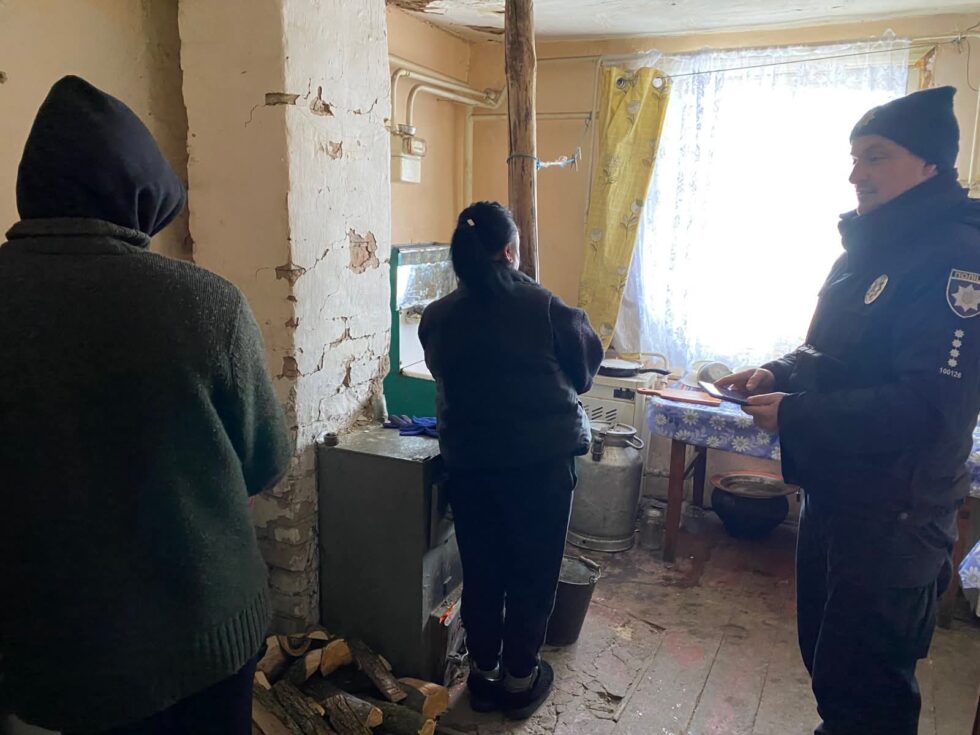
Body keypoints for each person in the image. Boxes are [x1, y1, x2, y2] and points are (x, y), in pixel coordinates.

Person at [0, 76, 291, 734]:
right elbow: (264, 460)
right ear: (139, 193)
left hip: (49, 649)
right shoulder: (206, 304)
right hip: (203, 639)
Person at [718, 86, 980, 735]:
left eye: (876, 156)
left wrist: (798, 414)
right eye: (855, 156)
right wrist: (777, 372)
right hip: (837, 495)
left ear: (931, 164)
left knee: (870, 691)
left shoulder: (956, 258)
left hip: (895, 517)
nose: (856, 173)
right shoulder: (868, 249)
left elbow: (929, 408)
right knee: (832, 666)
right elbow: (829, 352)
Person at [419, 202, 602, 719]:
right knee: (532, 572)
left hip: (472, 468)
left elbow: (441, 370)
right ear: (509, 251)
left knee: (482, 571)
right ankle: (520, 682)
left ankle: (482, 676)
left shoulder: (438, 317)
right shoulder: (547, 308)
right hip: (540, 469)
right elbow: (584, 372)